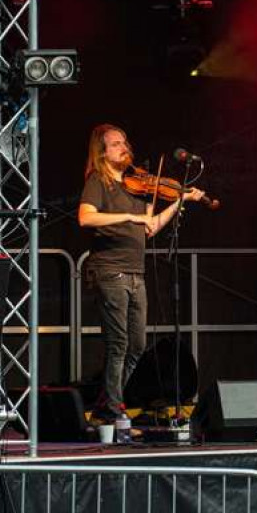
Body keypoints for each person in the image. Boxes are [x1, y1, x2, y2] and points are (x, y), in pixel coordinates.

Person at [79, 124, 205, 423]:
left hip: (136, 273)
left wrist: (178, 201)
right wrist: (128, 216)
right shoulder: (99, 181)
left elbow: (150, 228)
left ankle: (106, 404)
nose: (124, 147)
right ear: (102, 152)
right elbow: (85, 217)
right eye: (115, 144)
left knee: (136, 345)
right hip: (109, 271)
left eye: (125, 141)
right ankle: (112, 410)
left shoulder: (138, 186)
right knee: (119, 343)